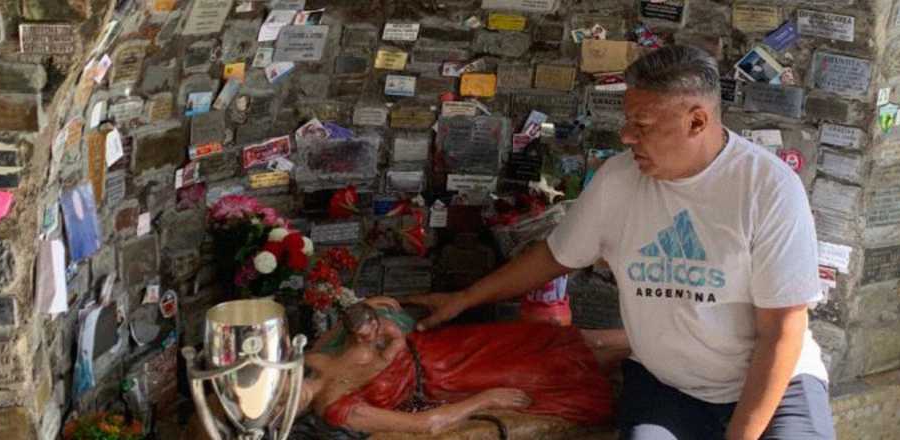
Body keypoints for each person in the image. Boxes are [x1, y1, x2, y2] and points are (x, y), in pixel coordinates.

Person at [406, 45, 835, 440]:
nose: (627, 137)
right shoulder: (618, 179)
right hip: (668, 386)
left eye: (641, 125)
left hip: (775, 385)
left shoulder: (767, 188)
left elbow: (783, 332)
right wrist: (464, 299)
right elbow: (556, 256)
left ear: (697, 121)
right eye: (628, 121)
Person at [296, 298, 616, 435]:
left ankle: (647, 344)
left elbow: (344, 326)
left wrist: (369, 305)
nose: (289, 391)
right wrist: (486, 399)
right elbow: (427, 424)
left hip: (438, 346)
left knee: (538, 338)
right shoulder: (340, 410)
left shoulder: (313, 359)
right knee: (545, 370)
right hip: (445, 380)